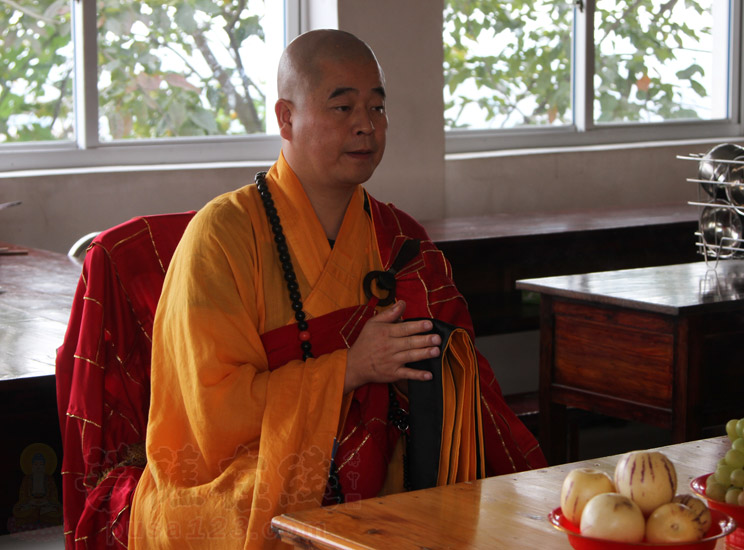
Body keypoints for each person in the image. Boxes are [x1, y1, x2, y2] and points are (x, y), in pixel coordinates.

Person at [128, 29, 546, 549]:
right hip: (250, 476)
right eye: (342, 107)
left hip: (390, 472)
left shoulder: (399, 238)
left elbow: (456, 381)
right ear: (285, 118)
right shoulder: (222, 235)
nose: (366, 126)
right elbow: (209, 412)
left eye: (377, 107)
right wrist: (349, 369)